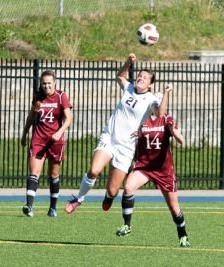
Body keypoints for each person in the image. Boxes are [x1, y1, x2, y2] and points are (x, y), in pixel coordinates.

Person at [65, 53, 168, 213]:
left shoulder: (150, 99)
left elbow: (160, 114)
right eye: (140, 75)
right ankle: (78, 198)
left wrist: (166, 94)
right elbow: (120, 76)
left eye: (145, 77)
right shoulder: (129, 88)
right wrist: (128, 62)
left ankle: (108, 196)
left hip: (126, 147)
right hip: (110, 138)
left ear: (150, 85)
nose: (141, 78)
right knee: (94, 170)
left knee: (113, 191)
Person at [115, 89, 190, 248]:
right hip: (144, 166)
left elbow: (180, 138)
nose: (157, 102)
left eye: (161, 99)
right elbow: (135, 140)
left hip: (163, 170)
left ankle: (183, 235)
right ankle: (127, 225)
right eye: (155, 99)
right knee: (128, 187)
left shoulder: (167, 119)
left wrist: (176, 134)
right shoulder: (142, 119)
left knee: (173, 206)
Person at [20, 70, 73, 217]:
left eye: (49, 83)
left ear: (54, 83)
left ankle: (53, 207)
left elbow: (69, 118)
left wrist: (59, 132)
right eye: (44, 83)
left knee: (53, 174)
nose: (46, 86)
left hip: (55, 141)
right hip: (38, 139)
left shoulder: (61, 96)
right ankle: (29, 206)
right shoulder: (38, 97)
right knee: (34, 172)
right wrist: (25, 133)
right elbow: (32, 115)